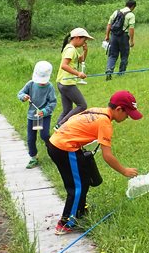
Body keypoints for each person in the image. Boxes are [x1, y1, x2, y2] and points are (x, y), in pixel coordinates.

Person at [46, 90, 141, 235]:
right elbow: (107, 156)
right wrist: (124, 171)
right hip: (64, 148)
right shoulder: (105, 123)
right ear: (119, 109)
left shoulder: (97, 111)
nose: (127, 117)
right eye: (127, 114)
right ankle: (66, 223)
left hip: (59, 143)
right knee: (77, 187)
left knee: (83, 180)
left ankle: (80, 210)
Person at [17, 61, 57, 169]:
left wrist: (44, 111)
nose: (42, 83)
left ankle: (54, 153)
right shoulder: (30, 84)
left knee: (44, 135)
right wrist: (24, 97)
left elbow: (53, 102)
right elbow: (20, 94)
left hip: (43, 116)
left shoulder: (50, 87)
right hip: (33, 116)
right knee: (31, 138)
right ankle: (33, 157)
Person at [56, 27, 93, 127]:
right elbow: (64, 65)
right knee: (82, 105)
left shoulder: (72, 49)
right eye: (84, 40)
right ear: (77, 38)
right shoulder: (70, 50)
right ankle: (61, 124)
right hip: (67, 83)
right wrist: (78, 74)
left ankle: (58, 130)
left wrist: (85, 51)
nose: (84, 43)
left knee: (67, 110)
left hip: (62, 82)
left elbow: (80, 60)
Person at [104, 0, 137, 81]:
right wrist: (131, 41)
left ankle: (109, 70)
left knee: (112, 55)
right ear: (133, 6)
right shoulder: (131, 15)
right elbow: (131, 29)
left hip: (114, 36)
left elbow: (109, 24)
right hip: (123, 37)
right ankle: (121, 74)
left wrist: (107, 36)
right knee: (124, 55)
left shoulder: (116, 12)